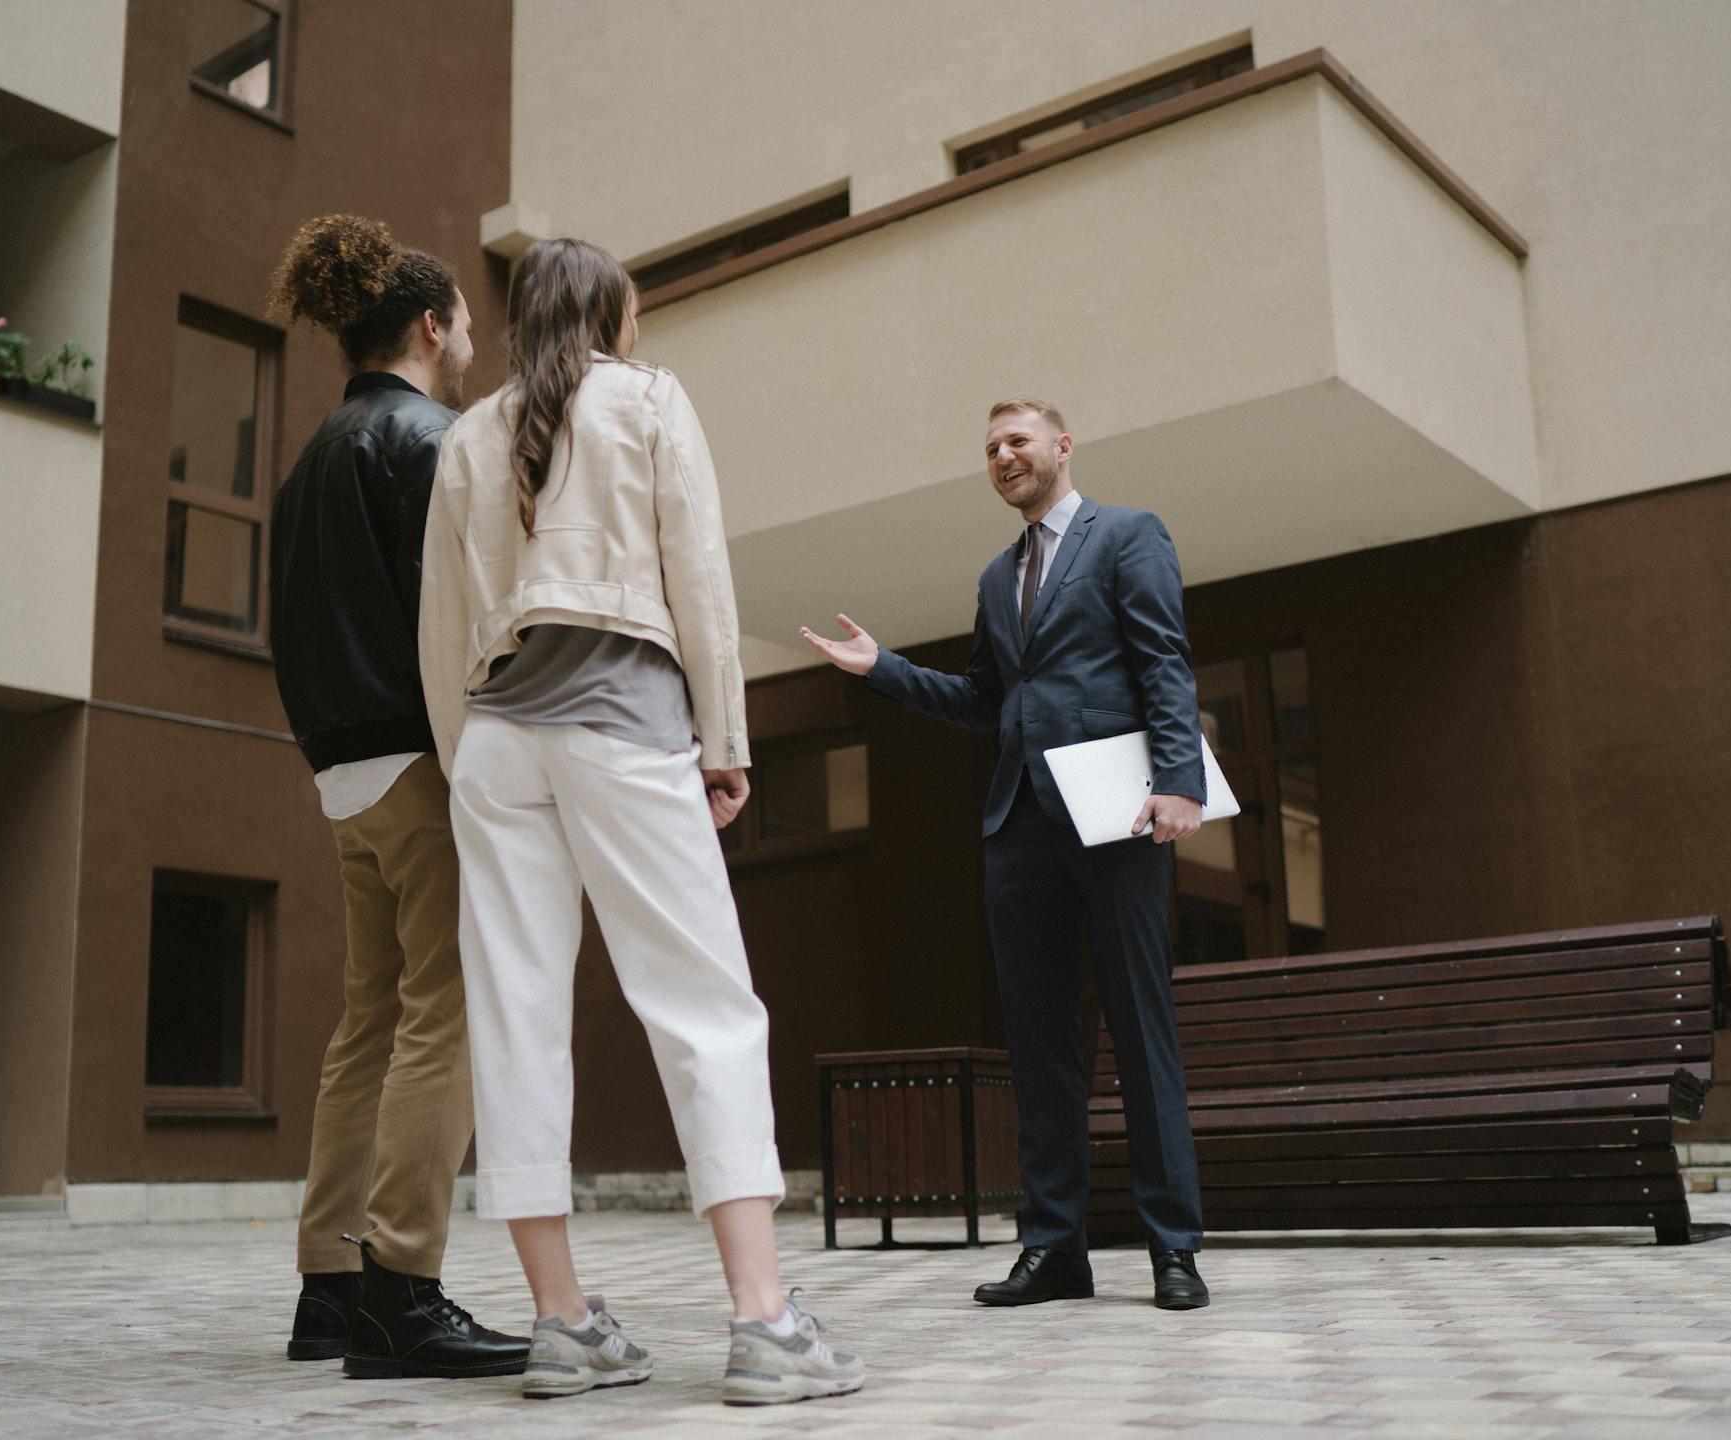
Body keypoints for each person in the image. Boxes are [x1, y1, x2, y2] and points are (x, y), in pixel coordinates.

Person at [418, 238, 865, 1405]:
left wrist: (471, 768)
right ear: (612, 314)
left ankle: (562, 1325)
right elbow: (698, 580)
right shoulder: (647, 398)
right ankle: (766, 1324)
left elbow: (439, 625)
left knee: (513, 1018)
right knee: (703, 1003)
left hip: (497, 737)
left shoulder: (468, 434)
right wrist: (726, 741)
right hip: (623, 719)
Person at [800, 398, 1212, 1310]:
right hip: (1019, 831)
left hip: (1120, 819)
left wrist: (1179, 777)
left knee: (1143, 1036)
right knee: (1038, 1046)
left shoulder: (1128, 535)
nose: (1002, 456)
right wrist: (885, 669)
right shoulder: (997, 576)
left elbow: (1164, 659)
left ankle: (1173, 1248)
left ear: (1063, 446)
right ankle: (1056, 1247)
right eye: (989, 448)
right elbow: (988, 697)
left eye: (1017, 440)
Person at [266, 214, 529, 1377]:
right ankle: (403, 1289)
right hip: (422, 762)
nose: (475, 338)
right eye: (468, 320)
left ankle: (329, 1288)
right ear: (431, 324)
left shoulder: (311, 459)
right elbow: (473, 613)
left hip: (339, 772)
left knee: (368, 1021)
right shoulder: (436, 438)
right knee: (447, 1012)